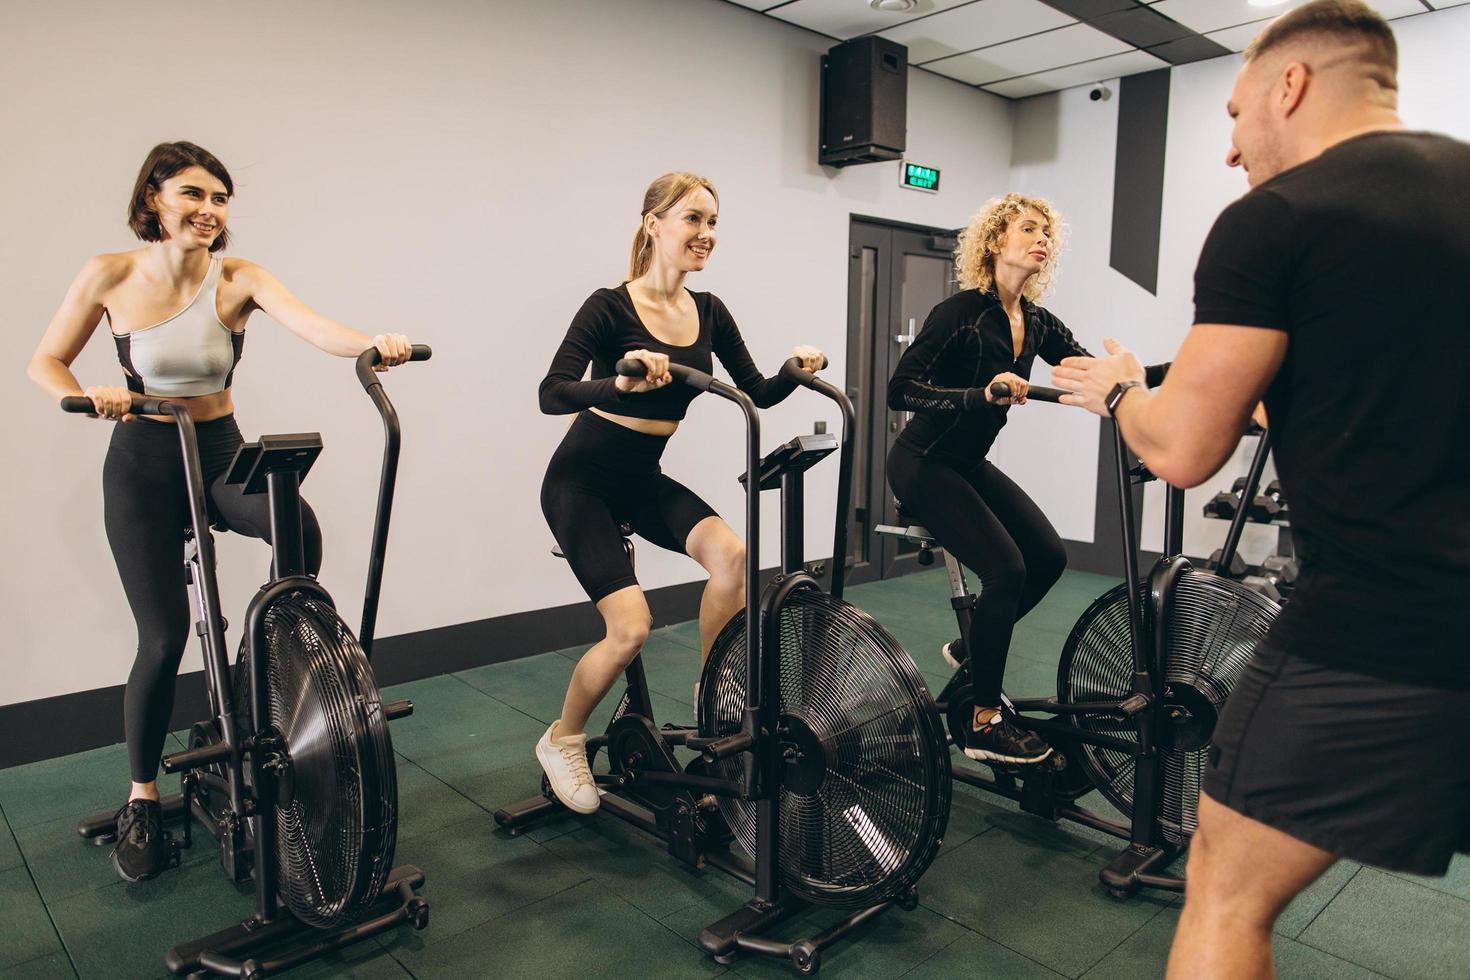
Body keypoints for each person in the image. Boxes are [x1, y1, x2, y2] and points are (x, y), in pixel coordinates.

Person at [1048, 4, 1470, 976]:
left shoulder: (1276, 221)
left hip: (1379, 634)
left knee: (1228, 891)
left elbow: (1187, 449)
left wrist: (1123, 393)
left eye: (1235, 115)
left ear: (1291, 86)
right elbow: (1394, 390)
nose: (1233, 151)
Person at [26, 141, 412, 882]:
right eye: (194, 195)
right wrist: (88, 396)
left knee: (298, 532)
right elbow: (44, 361)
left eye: (221, 199)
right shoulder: (108, 274)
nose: (210, 210)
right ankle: (142, 796)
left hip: (218, 448)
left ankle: (249, 681)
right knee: (163, 639)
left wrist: (372, 343)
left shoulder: (239, 278)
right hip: (143, 461)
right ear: (155, 199)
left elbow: (313, 325)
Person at [535, 171, 823, 813]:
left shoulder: (709, 311)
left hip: (641, 481)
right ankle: (564, 738)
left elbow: (755, 389)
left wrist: (792, 373)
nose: (706, 234)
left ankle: (713, 695)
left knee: (732, 556)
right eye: (693, 219)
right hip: (580, 484)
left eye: (713, 222)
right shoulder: (609, 306)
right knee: (630, 627)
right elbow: (551, 393)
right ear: (653, 224)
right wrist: (620, 385)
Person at [887, 193, 1163, 764]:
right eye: (1029, 230)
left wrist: (1147, 376)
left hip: (967, 464)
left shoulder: (1034, 322)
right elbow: (900, 389)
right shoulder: (960, 312)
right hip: (922, 463)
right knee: (1006, 568)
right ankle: (983, 721)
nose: (1042, 240)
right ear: (995, 242)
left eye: (1047, 234)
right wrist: (976, 394)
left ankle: (972, 648)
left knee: (1048, 556)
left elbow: (1090, 372)